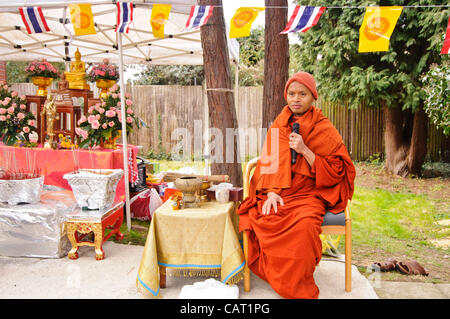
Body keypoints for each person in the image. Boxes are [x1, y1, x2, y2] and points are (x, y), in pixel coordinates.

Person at [237, 71, 356, 299]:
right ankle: (278, 276)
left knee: (304, 228)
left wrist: (305, 150)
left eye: (302, 94)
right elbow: (268, 165)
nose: (296, 99)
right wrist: (271, 192)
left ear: (313, 97)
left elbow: (337, 170)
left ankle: (297, 285)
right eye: (291, 93)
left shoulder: (323, 127)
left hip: (310, 195)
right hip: (280, 193)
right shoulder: (278, 127)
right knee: (267, 218)